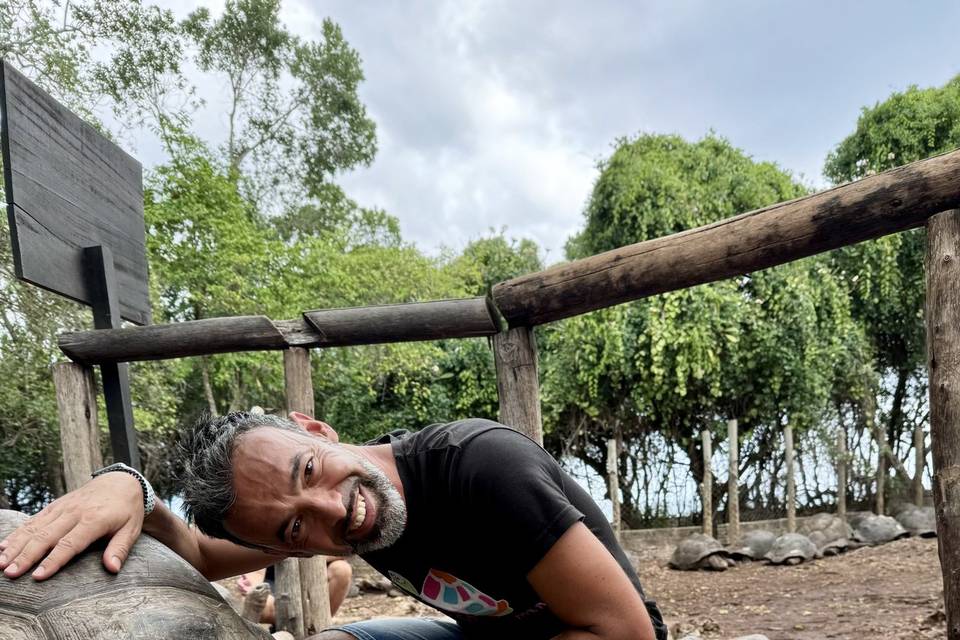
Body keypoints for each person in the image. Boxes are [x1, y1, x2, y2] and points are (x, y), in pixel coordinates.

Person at [0, 412, 667, 640]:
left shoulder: (480, 469)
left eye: (308, 468)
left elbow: (627, 630)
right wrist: (128, 486)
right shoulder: (335, 520)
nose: (331, 510)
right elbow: (198, 556)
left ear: (315, 428)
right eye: (292, 531)